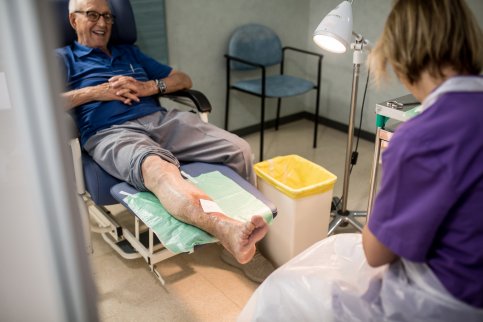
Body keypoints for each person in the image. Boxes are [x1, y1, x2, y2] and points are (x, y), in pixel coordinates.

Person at [239, 0, 483, 320]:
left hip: (449, 300)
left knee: (282, 289)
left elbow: (377, 252)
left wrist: (381, 213)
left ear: (402, 54)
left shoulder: (421, 137)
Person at [57, 0, 271, 270]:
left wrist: (147, 87)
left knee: (238, 148)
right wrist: (96, 92)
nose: (102, 23)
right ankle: (229, 230)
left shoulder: (129, 52)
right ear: (74, 20)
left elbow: (183, 79)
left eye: (108, 17)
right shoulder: (64, 57)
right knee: (159, 169)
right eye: (92, 15)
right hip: (111, 132)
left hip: (162, 121)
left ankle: (244, 234)